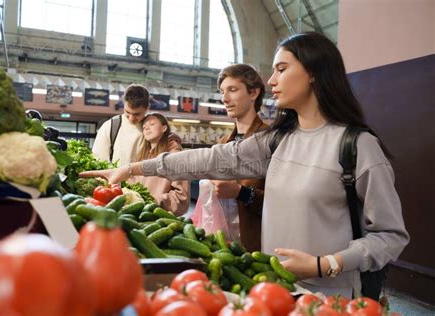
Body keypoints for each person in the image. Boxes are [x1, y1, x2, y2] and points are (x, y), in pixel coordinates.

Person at [81, 32, 409, 297]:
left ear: (313, 74)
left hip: (332, 299)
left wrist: (327, 264)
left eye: (282, 69)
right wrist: (133, 169)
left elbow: (390, 236)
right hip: (276, 291)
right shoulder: (278, 140)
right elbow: (210, 159)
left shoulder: (358, 146)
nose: (272, 78)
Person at [212, 64, 268, 251]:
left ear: (253, 93)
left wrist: (240, 192)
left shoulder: (271, 142)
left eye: (232, 90)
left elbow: (284, 204)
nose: (224, 99)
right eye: (222, 92)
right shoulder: (222, 144)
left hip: (259, 248)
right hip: (224, 246)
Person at [130, 113, 189, 215]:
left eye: (152, 124)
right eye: (144, 127)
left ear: (164, 128)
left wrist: (153, 202)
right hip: (139, 214)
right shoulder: (142, 155)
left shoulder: (176, 156)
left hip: (160, 219)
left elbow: (181, 197)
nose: (147, 128)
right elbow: (132, 183)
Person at [92, 84, 149, 166]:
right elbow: (98, 161)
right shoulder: (110, 126)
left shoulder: (153, 127)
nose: (131, 118)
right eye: (127, 112)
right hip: (114, 178)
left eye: (137, 114)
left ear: (147, 108)